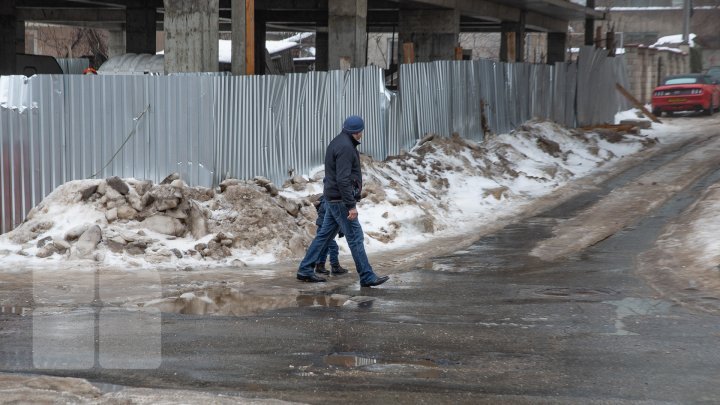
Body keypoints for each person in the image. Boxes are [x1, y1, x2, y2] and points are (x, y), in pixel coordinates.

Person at [296, 115, 389, 288]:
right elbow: (343, 179)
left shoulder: (338, 141)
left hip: (333, 198)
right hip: (340, 200)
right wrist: (351, 205)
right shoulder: (346, 147)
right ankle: (367, 276)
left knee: (325, 235)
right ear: (359, 132)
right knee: (355, 237)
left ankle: (305, 269)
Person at [313, 195, 348, 276]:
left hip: (323, 226)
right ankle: (334, 266)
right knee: (333, 247)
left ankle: (320, 266)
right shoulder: (329, 201)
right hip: (324, 227)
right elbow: (335, 216)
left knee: (325, 248)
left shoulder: (324, 198)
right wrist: (341, 230)